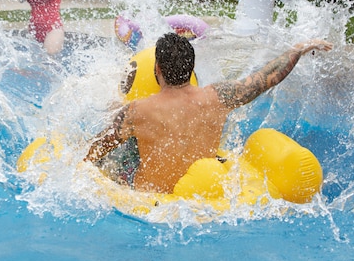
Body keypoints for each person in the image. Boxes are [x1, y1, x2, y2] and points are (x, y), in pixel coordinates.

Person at [84, 32, 333, 194]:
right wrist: (298, 50)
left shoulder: (135, 111)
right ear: (192, 68)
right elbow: (265, 78)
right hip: (203, 193)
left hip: (151, 199)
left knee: (120, 153)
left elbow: (94, 151)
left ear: (157, 69)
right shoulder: (219, 96)